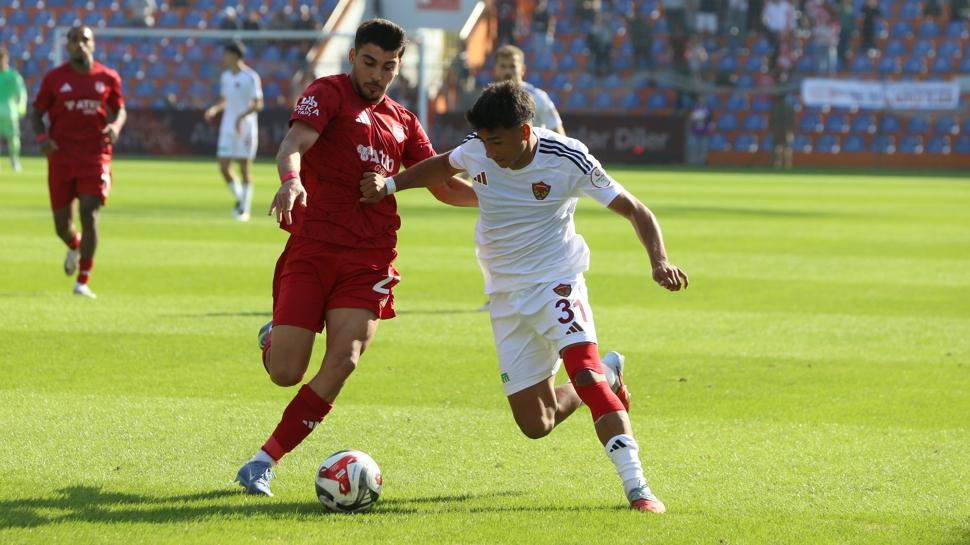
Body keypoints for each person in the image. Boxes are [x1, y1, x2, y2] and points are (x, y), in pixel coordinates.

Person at [359, 81, 689, 512]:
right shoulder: (478, 148)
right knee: (536, 424)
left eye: (497, 141)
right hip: (504, 292)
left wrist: (659, 260)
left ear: (525, 129)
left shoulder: (568, 157)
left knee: (583, 374)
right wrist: (390, 186)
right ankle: (611, 374)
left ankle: (638, 488)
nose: (489, 151)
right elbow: (440, 167)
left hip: (557, 280)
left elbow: (634, 209)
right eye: (484, 140)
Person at [233, 18, 477, 497]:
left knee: (344, 359)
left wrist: (499, 201)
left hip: (369, 259)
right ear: (353, 58)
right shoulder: (327, 94)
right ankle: (274, 339)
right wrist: (291, 180)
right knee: (285, 372)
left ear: (398, 67)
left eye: (388, 67)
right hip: (314, 247)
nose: (377, 75)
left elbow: (442, 184)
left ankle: (263, 461)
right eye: (370, 63)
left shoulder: (404, 121)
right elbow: (293, 145)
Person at [30, 26, 126, 299]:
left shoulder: (108, 77)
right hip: (61, 156)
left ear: (93, 44)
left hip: (95, 155)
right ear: (67, 46)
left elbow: (120, 109)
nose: (79, 44)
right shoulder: (54, 78)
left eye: (84, 39)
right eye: (73, 40)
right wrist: (41, 138)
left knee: (90, 211)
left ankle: (82, 281)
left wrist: (116, 126)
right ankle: (74, 245)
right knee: (62, 225)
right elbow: (36, 113)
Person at [203, 41, 263, 221]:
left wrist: (241, 117)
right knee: (223, 166)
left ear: (235, 55)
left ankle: (245, 210)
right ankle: (240, 199)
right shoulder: (226, 76)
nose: (223, 57)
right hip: (228, 126)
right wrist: (215, 109)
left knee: (244, 168)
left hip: (246, 127)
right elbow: (224, 100)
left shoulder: (251, 77)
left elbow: (258, 104)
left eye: (226, 53)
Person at [493, 45, 564, 135]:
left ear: (522, 70)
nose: (508, 71)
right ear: (495, 70)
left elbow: (558, 133)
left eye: (512, 66)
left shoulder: (537, 97)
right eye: (503, 66)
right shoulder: (488, 100)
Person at [0, 45, 27, 173]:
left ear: (6, 59)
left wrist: (21, 106)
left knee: (13, 139)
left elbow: (21, 93)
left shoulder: (13, 76)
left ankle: (14, 160)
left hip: (10, 112)